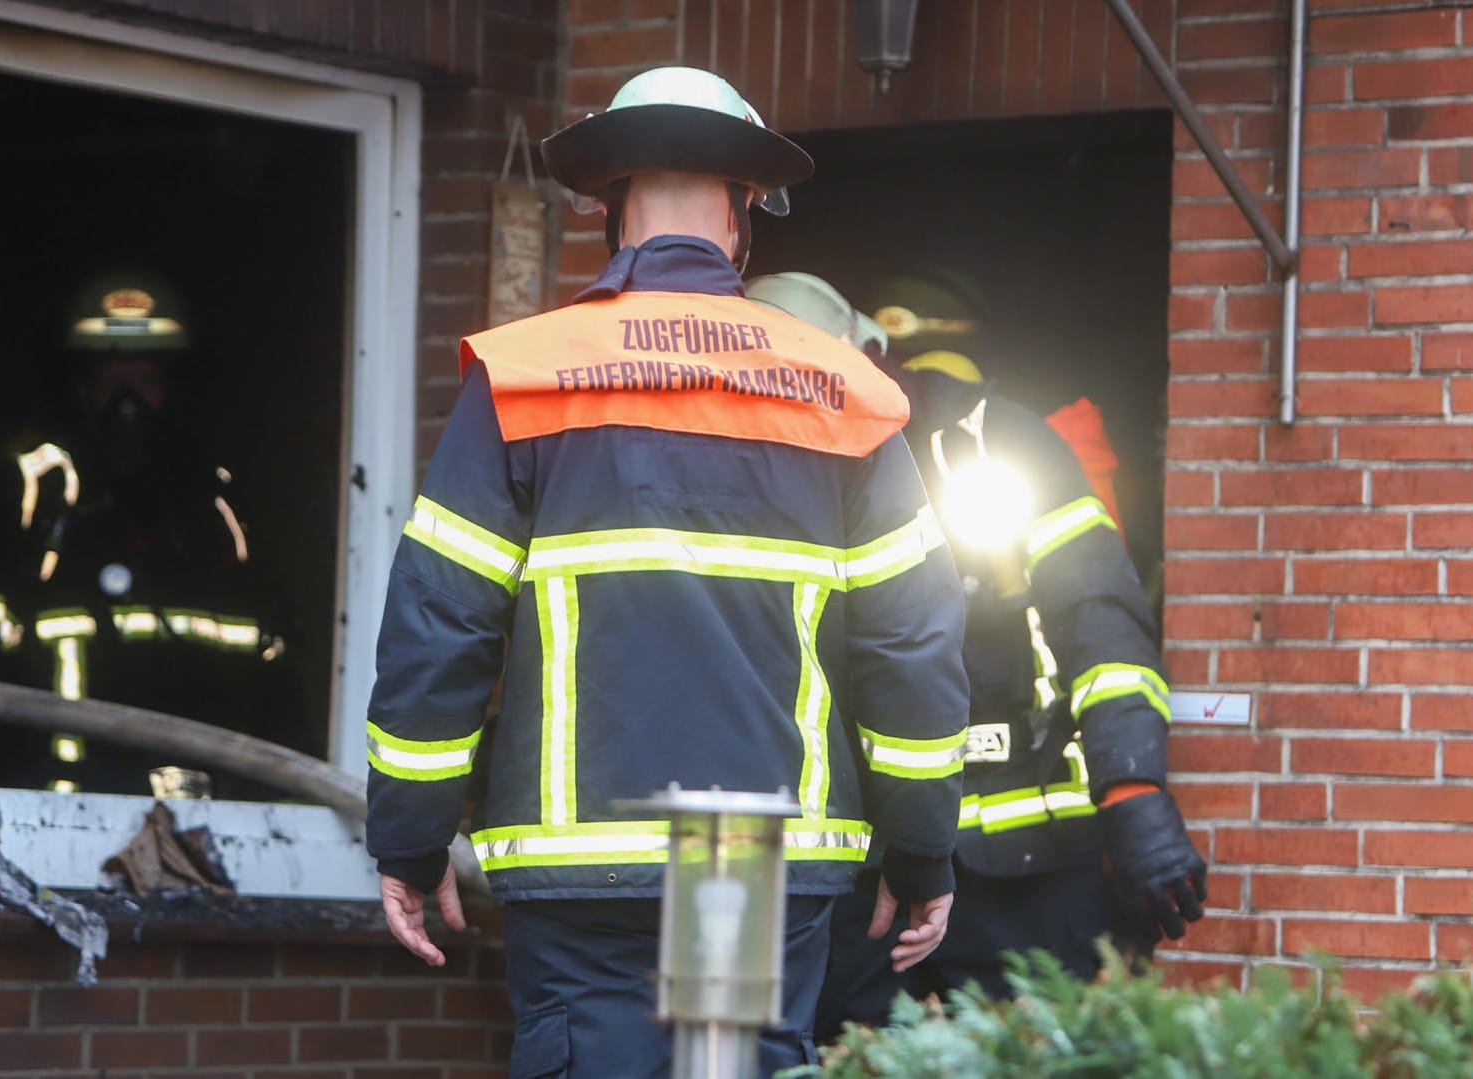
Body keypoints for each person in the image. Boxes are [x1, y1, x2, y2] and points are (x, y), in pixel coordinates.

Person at [364, 68, 971, 1077]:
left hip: (577, 857)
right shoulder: (843, 395)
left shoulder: (525, 377)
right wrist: (919, 851)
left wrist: (410, 842)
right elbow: (911, 646)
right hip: (746, 853)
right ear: (741, 215)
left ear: (610, 209)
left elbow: (439, 621)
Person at [744, 271, 1206, 1039]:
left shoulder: (996, 443)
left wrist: (1132, 789)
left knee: (1046, 1049)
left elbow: (1098, 616)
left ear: (870, 354)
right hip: (854, 867)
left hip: (1026, 859)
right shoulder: (752, 462)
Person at [0, 276, 292, 797]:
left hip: (208, 835)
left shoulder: (220, 516)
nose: (129, 406)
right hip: (44, 825)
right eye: (112, 383)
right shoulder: (29, 499)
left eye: (145, 382)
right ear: (80, 388)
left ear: (174, 391)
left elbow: (273, 691)